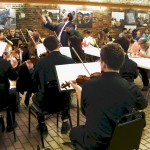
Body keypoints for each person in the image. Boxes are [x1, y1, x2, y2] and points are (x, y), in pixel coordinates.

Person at [69, 43, 147, 149]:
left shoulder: (89, 85)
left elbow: (84, 111)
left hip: (97, 143)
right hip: (121, 140)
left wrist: (77, 89)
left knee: (74, 132)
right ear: (121, 63)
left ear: (103, 64)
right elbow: (143, 104)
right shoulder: (131, 88)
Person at [25, 35, 75, 133]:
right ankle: (65, 121)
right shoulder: (69, 60)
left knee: (36, 96)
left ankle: (42, 124)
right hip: (64, 102)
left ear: (46, 48)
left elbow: (34, 80)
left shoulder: (41, 62)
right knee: (64, 93)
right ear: (59, 45)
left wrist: (31, 69)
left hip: (45, 103)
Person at [0, 55, 18, 132]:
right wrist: (11, 67)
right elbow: (14, 77)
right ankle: (11, 125)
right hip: (2, 99)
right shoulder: (3, 62)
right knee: (13, 95)